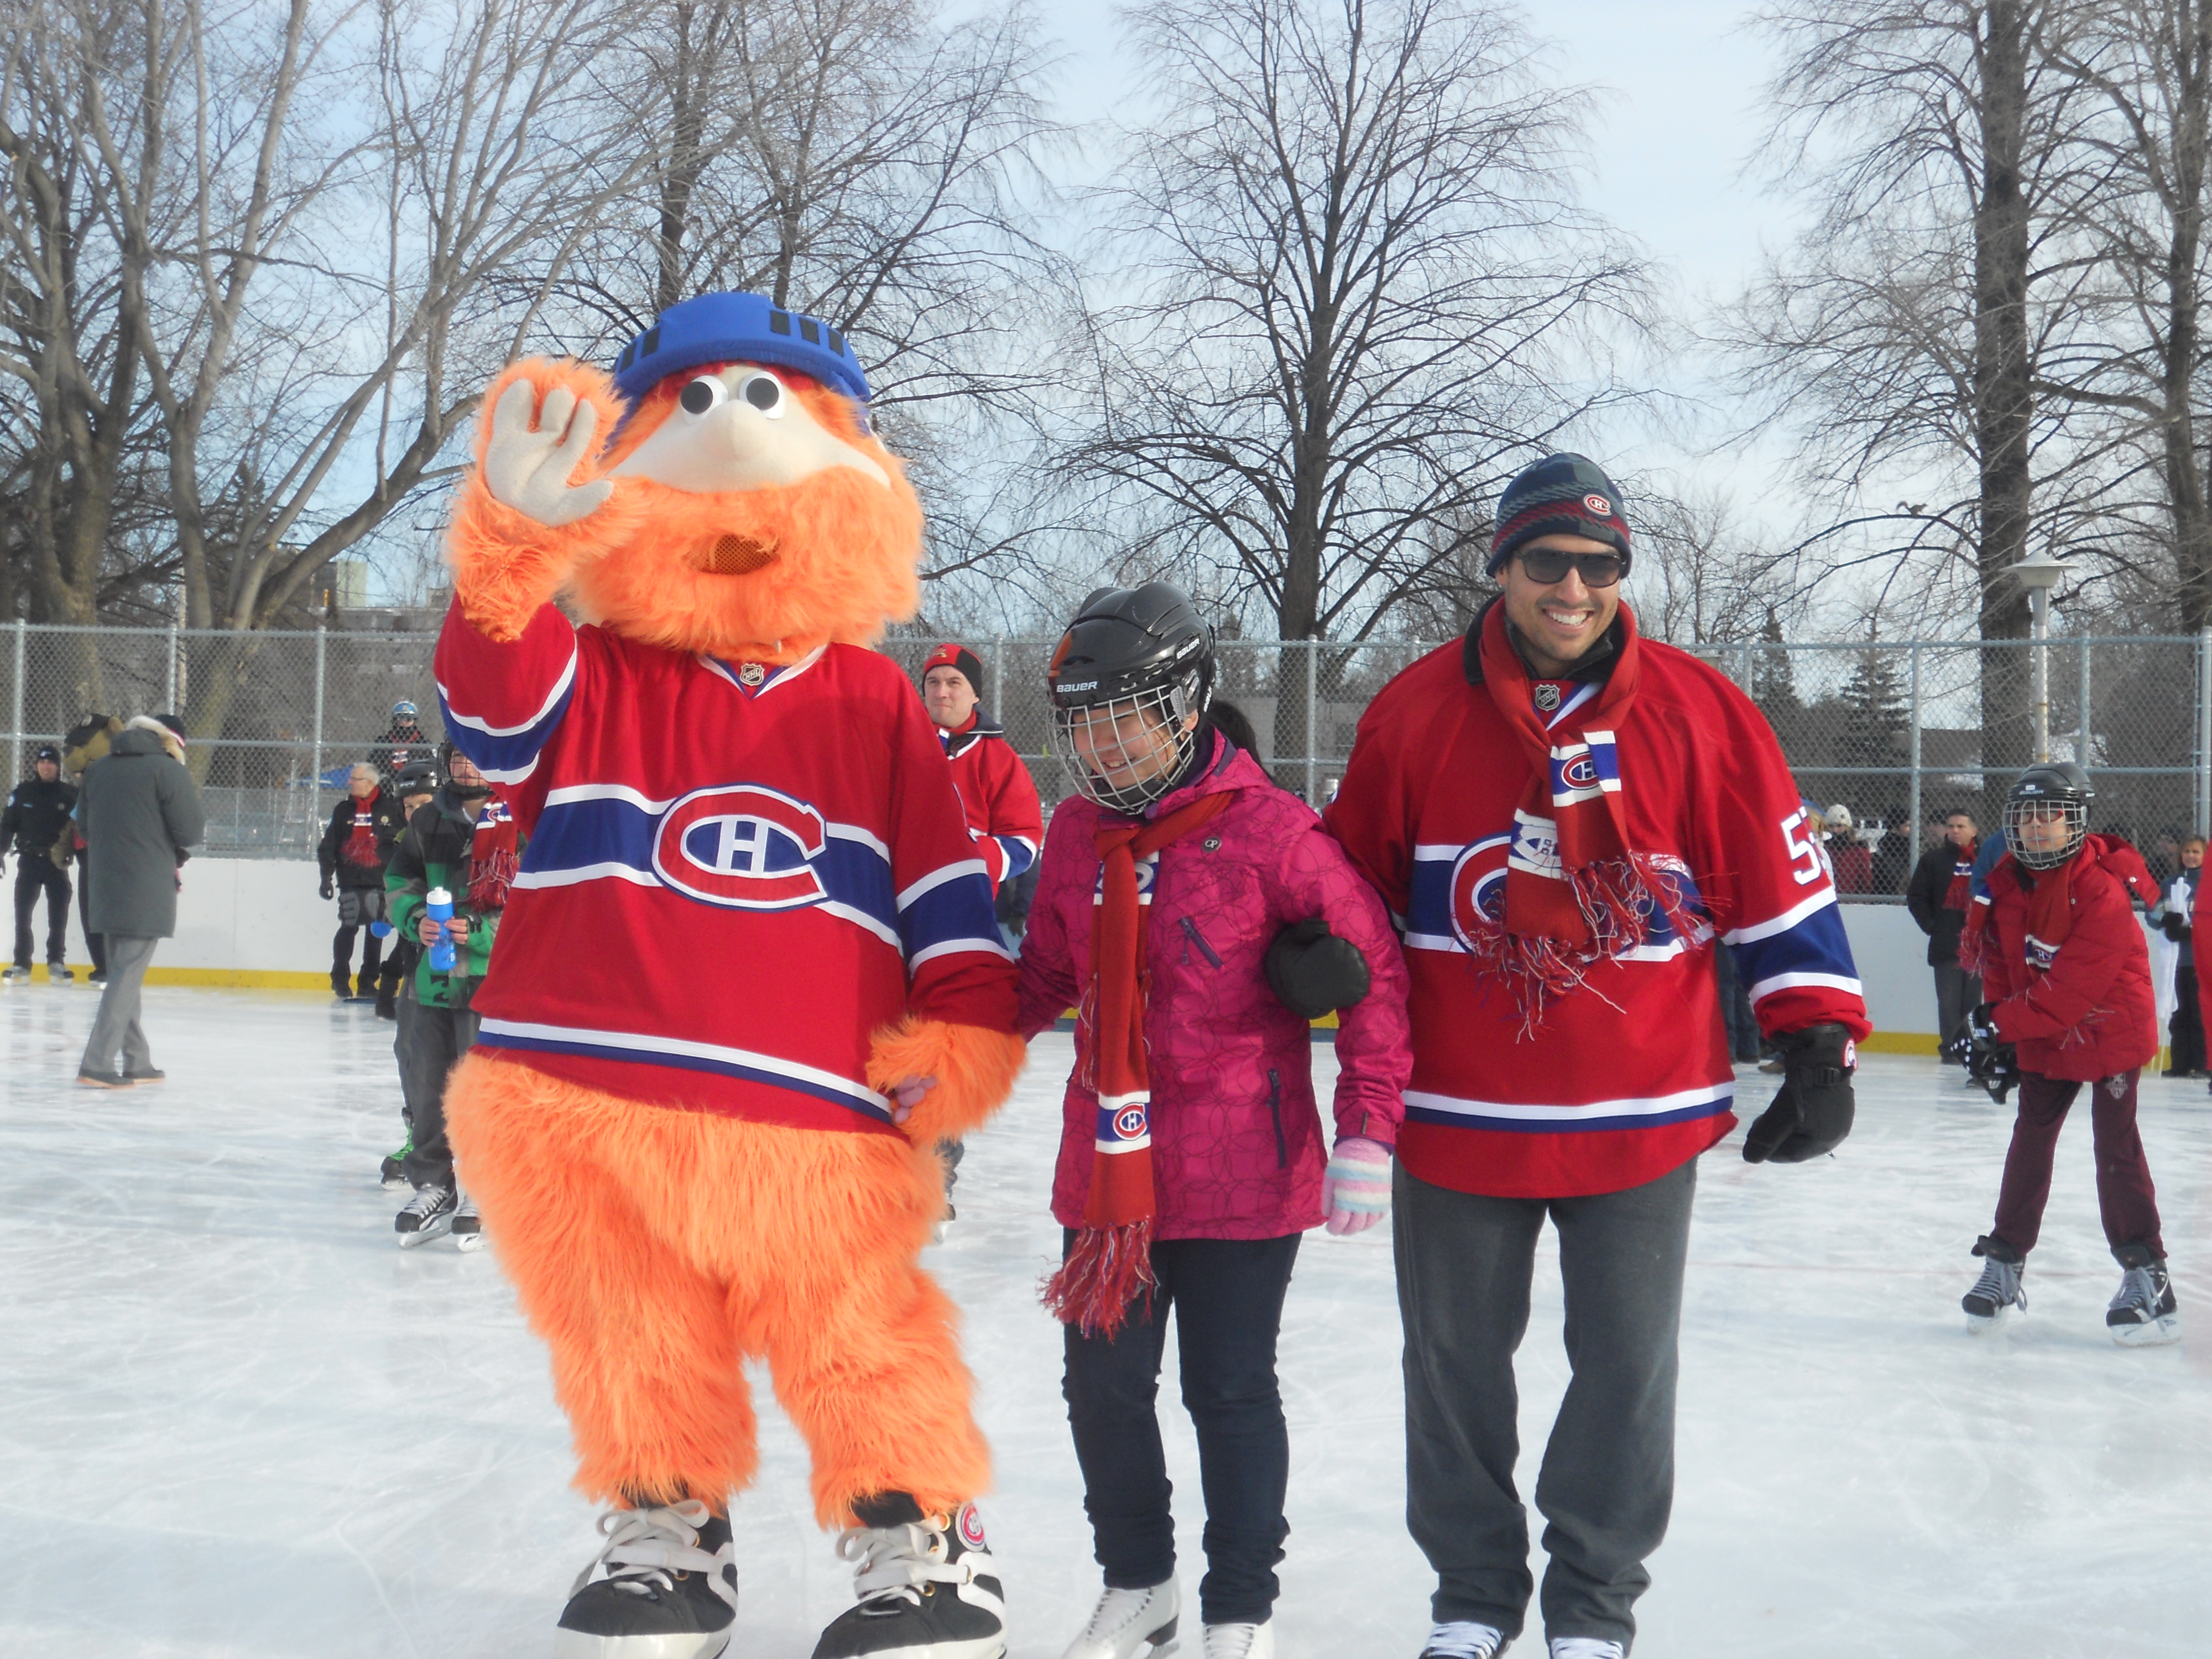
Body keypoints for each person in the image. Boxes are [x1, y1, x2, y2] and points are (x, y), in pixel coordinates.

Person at [1324, 452, 1869, 1659]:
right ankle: (1471, 1598)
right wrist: (1314, 958)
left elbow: (1778, 872)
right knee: (1453, 1370)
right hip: (1456, 1113)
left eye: (1597, 566)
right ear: (1501, 568)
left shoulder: (1699, 708)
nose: (1571, 588)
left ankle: (1590, 1608)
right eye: (1546, 562)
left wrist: (1814, 1037)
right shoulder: (1413, 710)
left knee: (1623, 1373)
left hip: (1641, 1109)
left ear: (1620, 576)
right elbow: (1345, 885)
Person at [1016, 582, 1411, 1659]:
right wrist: (939, 1050)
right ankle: (1138, 1584)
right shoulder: (1075, 833)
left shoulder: (1273, 835)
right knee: (1102, 1392)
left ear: (1187, 706)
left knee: (1228, 1392)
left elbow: (1370, 972)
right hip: (1107, 1173)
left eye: (1122, 718)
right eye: (1081, 725)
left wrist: (1368, 1127)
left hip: (1245, 1164)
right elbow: (1038, 976)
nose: (1101, 747)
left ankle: (1239, 1606)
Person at [1960, 763, 2176, 1344]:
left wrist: (1995, 1024)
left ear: (2074, 823)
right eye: (2025, 819)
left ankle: (2148, 1274)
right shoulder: (2007, 887)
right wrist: (1999, 1037)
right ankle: (2003, 1265)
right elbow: (2004, 970)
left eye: (2047, 819)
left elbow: (2068, 993)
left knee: (2116, 1147)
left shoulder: (2100, 890)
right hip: (2046, 1030)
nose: (2035, 831)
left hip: (2108, 1030)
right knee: (2030, 1142)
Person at [919, 640, 1046, 1228]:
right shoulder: (897, 744)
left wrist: (974, 856)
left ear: (973, 692)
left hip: (959, 928)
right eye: (934, 683)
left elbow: (1025, 839)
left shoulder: (999, 759)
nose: (942, 693)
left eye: (953, 684)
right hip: (888, 921)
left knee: (941, 1053)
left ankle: (936, 1181)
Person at [383, 744, 520, 1249]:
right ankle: (434, 1185)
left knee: (484, 1091)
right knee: (427, 1084)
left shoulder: (524, 817)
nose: (467, 768)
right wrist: (416, 917)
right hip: (432, 981)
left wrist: (484, 931)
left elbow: (543, 899)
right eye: (459, 758)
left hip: (492, 980)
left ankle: (486, 1190)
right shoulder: (428, 821)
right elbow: (398, 879)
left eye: (478, 758)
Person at [74, 716, 206, 1088]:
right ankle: (96, 1062)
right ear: (172, 742)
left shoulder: (98, 771)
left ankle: (137, 1060)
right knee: (126, 975)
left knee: (121, 972)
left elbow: (83, 826)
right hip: (145, 887)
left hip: (102, 885)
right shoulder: (166, 771)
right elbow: (191, 830)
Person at [317, 762, 408, 1002]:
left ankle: (368, 981)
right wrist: (326, 876)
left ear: (370, 783)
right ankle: (340, 977)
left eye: (356, 779)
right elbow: (329, 845)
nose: (351, 783)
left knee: (376, 929)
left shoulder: (390, 809)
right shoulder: (344, 811)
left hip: (380, 879)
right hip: (350, 878)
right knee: (349, 924)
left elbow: (402, 842)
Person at [1907, 809, 1983, 1061]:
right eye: (1951, 826)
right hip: (1946, 943)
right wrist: (1933, 926)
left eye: (1961, 826)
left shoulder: (1986, 860)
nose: (1955, 831)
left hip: (1981, 945)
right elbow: (1917, 897)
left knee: (1973, 1003)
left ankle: (1972, 1047)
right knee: (1949, 1003)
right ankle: (1951, 1049)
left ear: (1974, 831)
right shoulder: (1934, 861)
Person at [2, 744, 77, 982]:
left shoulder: (69, 795)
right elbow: (7, 824)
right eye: (42, 762)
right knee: (23, 914)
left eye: (51, 763)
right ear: (36, 765)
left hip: (56, 863)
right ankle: (21, 963)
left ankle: (56, 961)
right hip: (29, 861)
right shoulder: (23, 792)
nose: (46, 767)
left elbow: (81, 828)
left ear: (58, 766)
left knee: (58, 915)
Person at [59, 717, 122, 984]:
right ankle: (102, 965)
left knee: (111, 910)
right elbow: (77, 816)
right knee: (89, 910)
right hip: (87, 854)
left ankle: (113, 965)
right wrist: (64, 845)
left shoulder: (122, 777)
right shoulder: (89, 783)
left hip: (112, 853)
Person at [2153, 836, 2206, 1076]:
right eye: (2187, 851)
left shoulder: (2207, 883)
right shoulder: (2171, 883)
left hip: (2203, 960)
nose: (2191, 856)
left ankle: (2204, 1063)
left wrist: (2195, 932)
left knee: (2200, 1013)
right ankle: (2181, 1062)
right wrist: (2165, 920)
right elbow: (2153, 913)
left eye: (2196, 852)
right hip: (2178, 961)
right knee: (2181, 1011)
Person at [369, 699, 432, 786]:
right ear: (395, 720)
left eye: (409, 719)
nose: (405, 722)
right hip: (388, 785)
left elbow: (431, 768)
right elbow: (372, 765)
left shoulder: (423, 744)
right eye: (401, 718)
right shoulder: (384, 742)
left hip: (416, 785)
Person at [1824, 803, 1873, 893]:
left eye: (1839, 826)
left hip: (1851, 897)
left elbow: (1866, 880)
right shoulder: (1823, 849)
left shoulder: (1859, 851)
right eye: (1831, 826)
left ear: (1848, 827)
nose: (1835, 830)